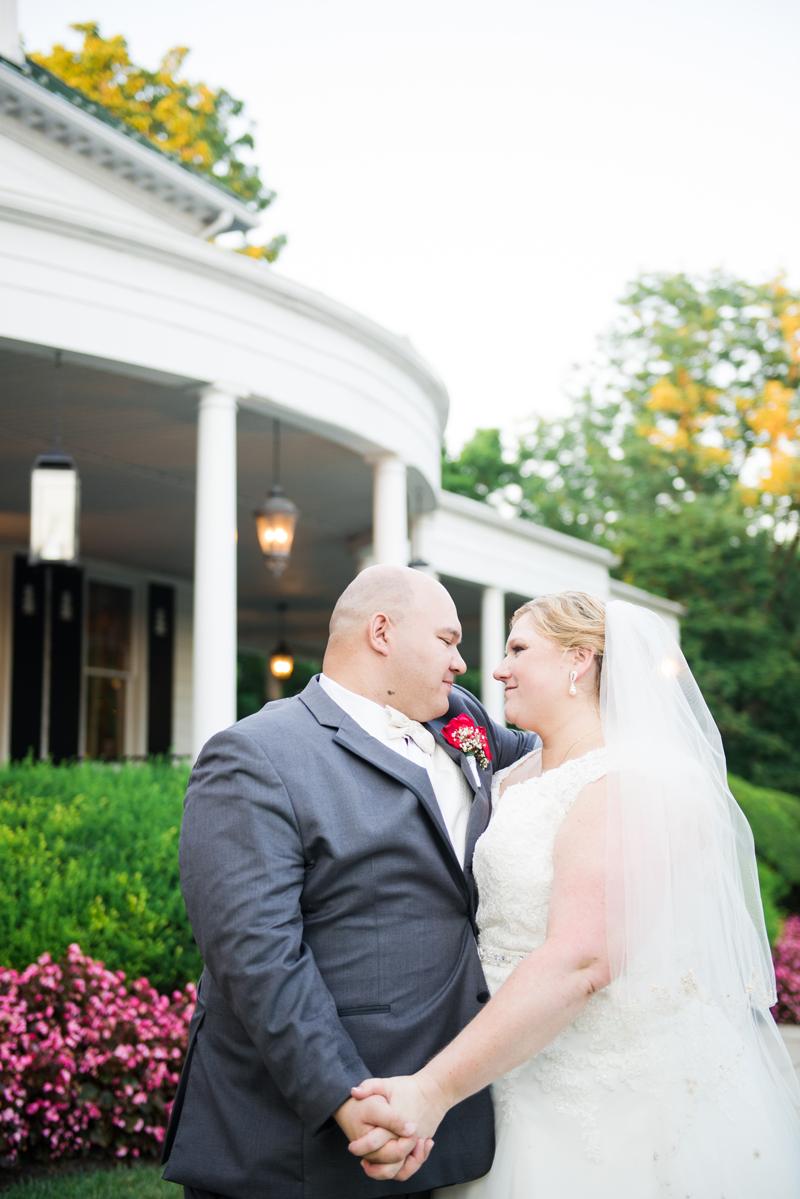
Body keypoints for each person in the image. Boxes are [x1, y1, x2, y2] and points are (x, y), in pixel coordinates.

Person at [349, 592, 800, 1197]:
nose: (499, 669)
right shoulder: (510, 775)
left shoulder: (628, 783)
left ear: (579, 660)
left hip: (606, 1086)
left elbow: (582, 959)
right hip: (501, 1067)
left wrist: (434, 1088)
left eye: (518, 650)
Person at [161, 565, 537, 1199]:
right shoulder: (255, 756)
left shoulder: (462, 723)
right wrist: (342, 1097)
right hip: (300, 1140)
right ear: (382, 632)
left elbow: (559, 754)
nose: (463, 663)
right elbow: (256, 956)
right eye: (447, 641)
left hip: (443, 1116)